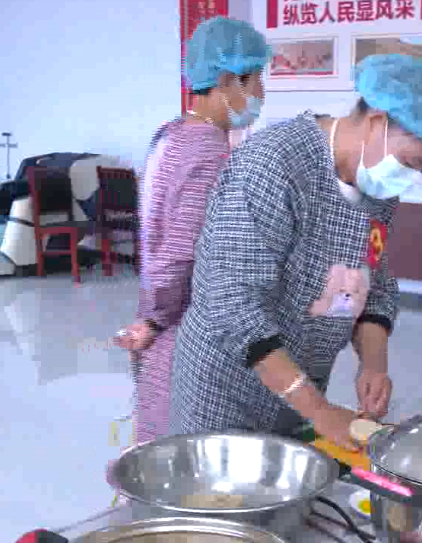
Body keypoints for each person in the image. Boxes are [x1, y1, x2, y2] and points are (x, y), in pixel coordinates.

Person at [168, 54, 422, 448]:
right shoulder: (273, 165)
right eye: (412, 163)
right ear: (377, 122)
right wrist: (321, 411)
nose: (410, 179)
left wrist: (374, 365)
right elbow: (232, 305)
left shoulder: (377, 187)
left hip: (300, 389)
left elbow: (373, 281)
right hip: (226, 390)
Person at [114, 17, 270, 444]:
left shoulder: (171, 135)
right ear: (225, 80)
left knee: (157, 431)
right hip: (181, 328)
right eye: (255, 82)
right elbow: (181, 251)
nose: (260, 95)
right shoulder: (208, 148)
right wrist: (155, 317)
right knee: (181, 452)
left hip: (162, 315)